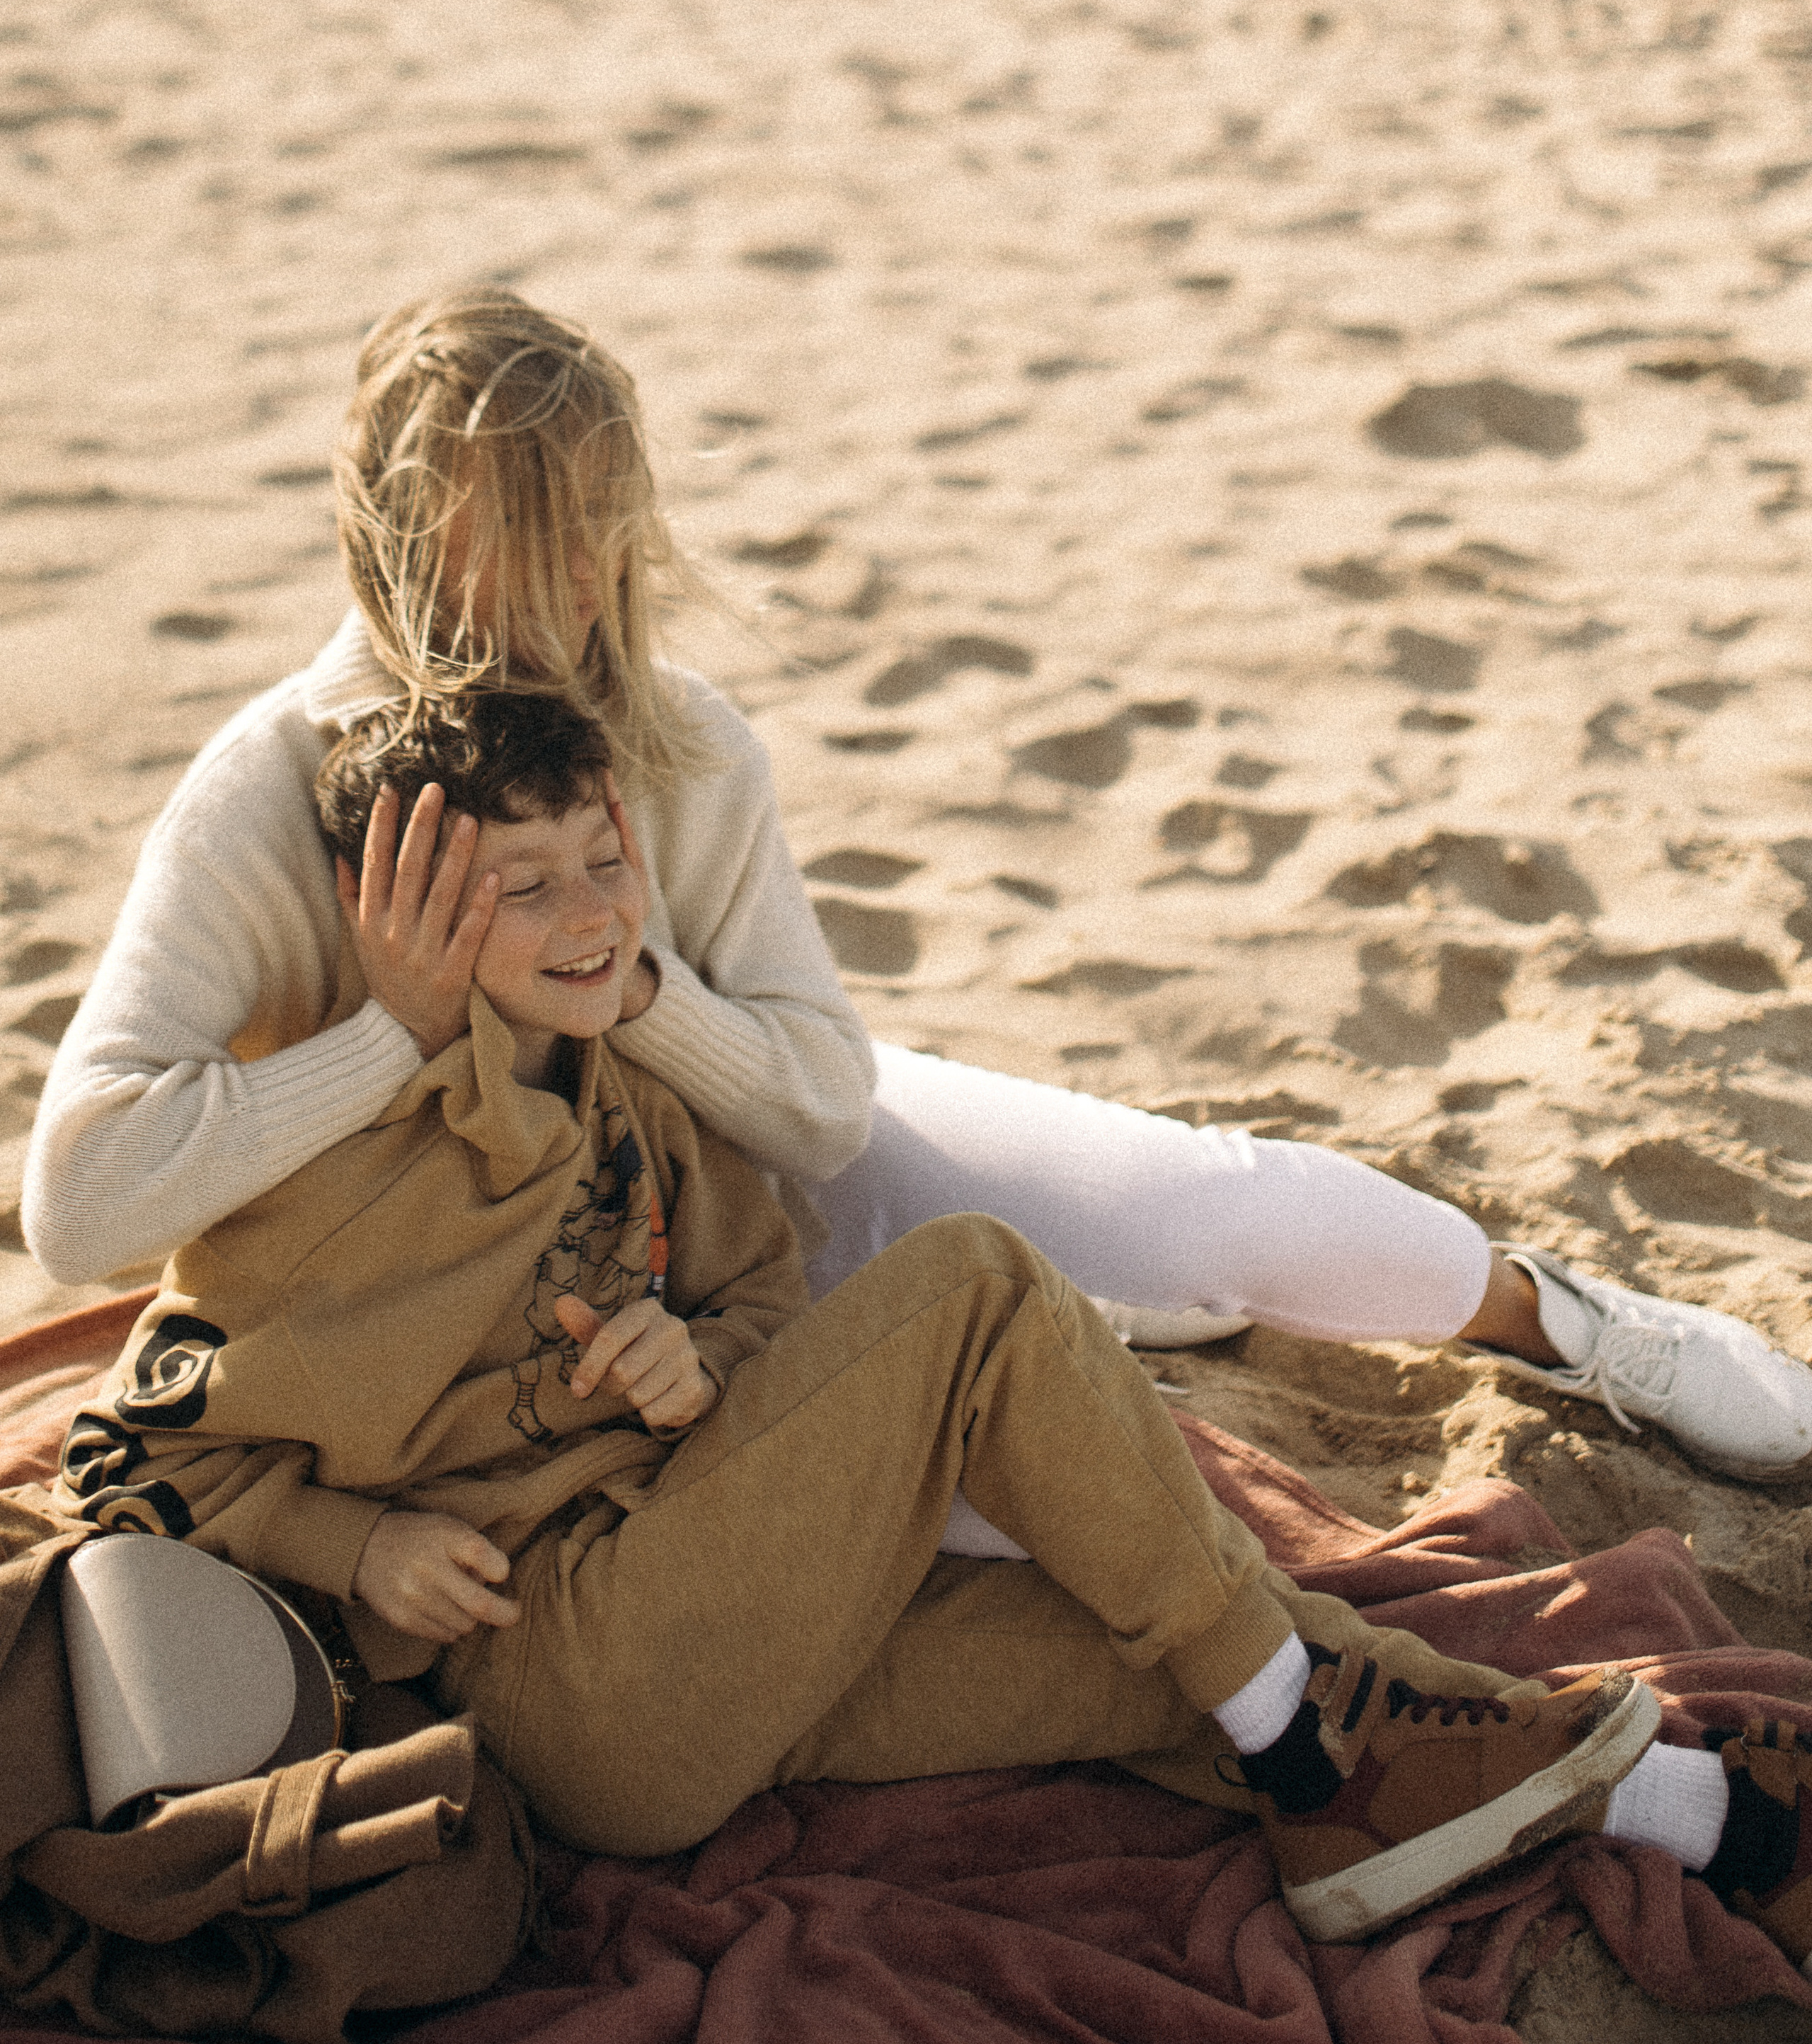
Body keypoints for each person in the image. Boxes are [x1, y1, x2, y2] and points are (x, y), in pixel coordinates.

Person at [50, 693, 1812, 1967]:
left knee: (1169, 1634)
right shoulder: (319, 1182)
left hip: (743, 1612)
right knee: (974, 1283)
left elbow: (743, 1289)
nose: (592, 911)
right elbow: (134, 1457)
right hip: (581, 1683)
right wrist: (366, 1540)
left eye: (605, 860)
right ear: (405, 916)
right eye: (522, 889)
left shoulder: (633, 1092)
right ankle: (1325, 1747)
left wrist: (710, 1363)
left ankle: (1657, 1803)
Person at [23, 291, 1812, 1488]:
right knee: (1025, 1503)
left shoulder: (679, 746)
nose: (558, 595)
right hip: (486, 1326)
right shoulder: (269, 789)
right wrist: (392, 1030)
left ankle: (1559, 1317)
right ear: (395, 535)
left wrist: (632, 981)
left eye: (590, 534)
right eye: (507, 541)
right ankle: (1129, 1339)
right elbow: (81, 1202)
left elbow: (818, 1105)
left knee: (1213, 1206)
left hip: (743, 1218)